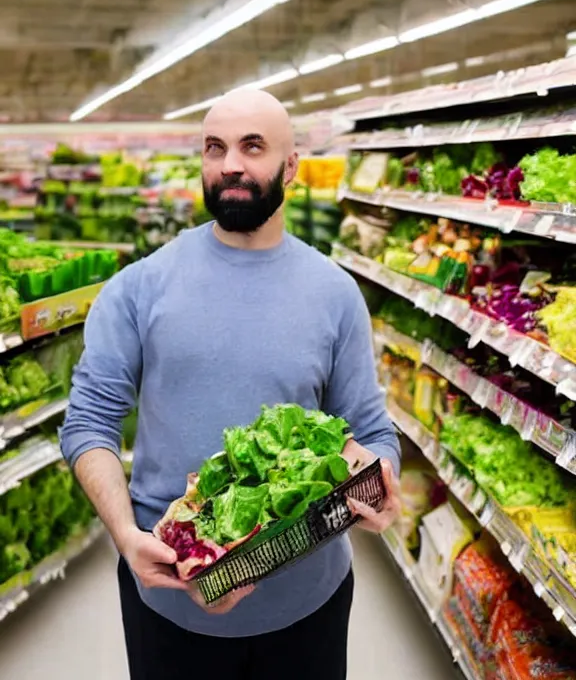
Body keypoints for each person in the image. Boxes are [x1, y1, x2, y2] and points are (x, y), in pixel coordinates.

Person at [60, 89, 401, 680]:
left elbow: (368, 426)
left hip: (308, 605)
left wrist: (377, 478)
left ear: (290, 166)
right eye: (215, 148)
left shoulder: (335, 293)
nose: (231, 165)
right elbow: (88, 421)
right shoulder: (141, 286)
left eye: (253, 146)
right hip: (168, 602)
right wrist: (124, 535)